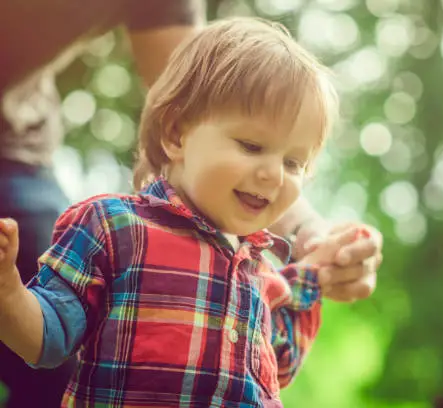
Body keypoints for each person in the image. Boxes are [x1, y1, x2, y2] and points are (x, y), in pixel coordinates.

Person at [0, 2, 382, 407]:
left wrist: (322, 255)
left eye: (293, 163)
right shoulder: (112, 229)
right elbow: (48, 337)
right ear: (177, 135)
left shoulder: (261, 274)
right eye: (251, 146)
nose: (274, 174)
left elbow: (282, 364)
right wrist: (8, 295)